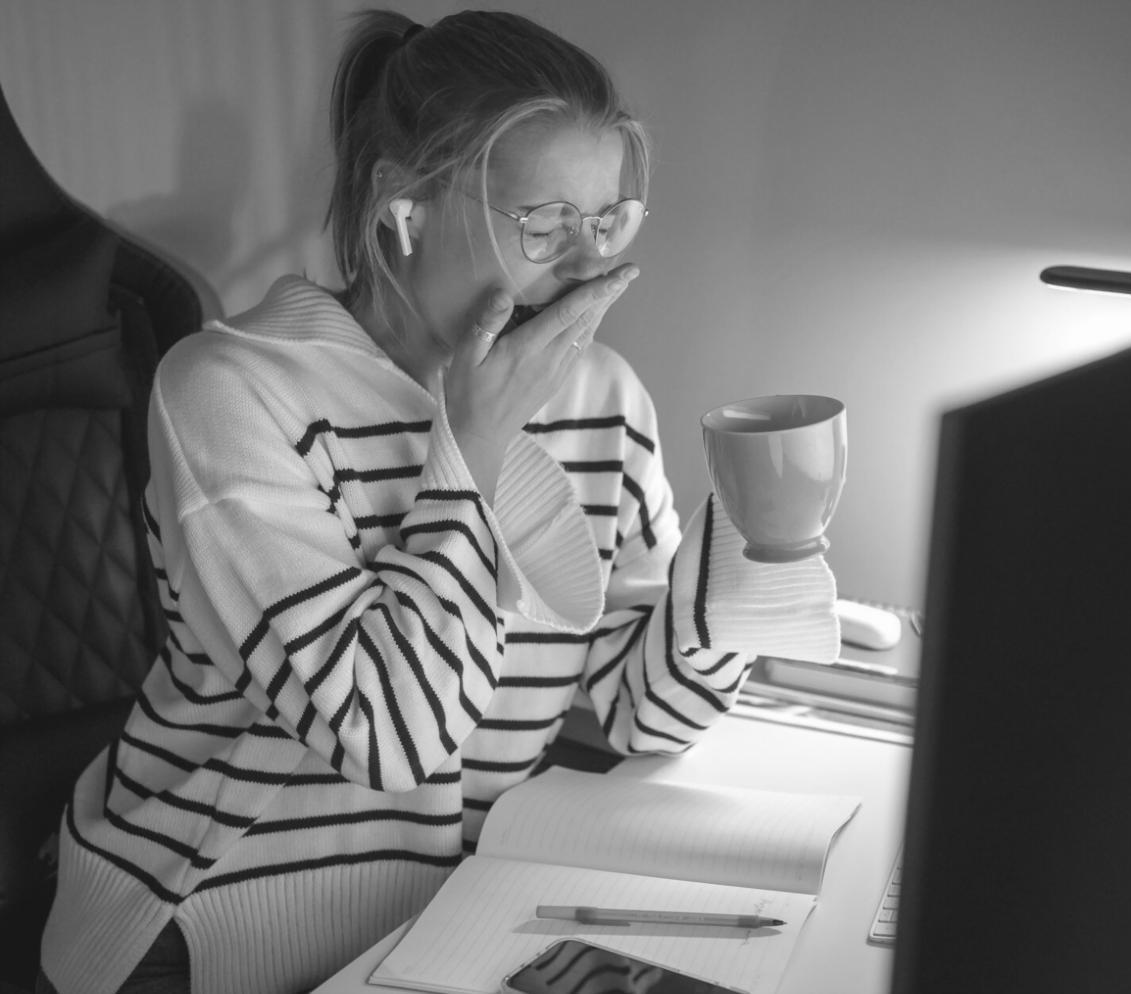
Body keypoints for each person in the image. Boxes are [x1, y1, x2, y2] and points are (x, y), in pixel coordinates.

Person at [37, 10, 838, 994]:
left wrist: (752, 555)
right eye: (543, 224)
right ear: (401, 204)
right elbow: (391, 736)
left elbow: (643, 711)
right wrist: (475, 445)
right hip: (209, 926)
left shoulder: (602, 396)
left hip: (457, 919)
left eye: (607, 221)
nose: (588, 266)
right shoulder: (228, 391)